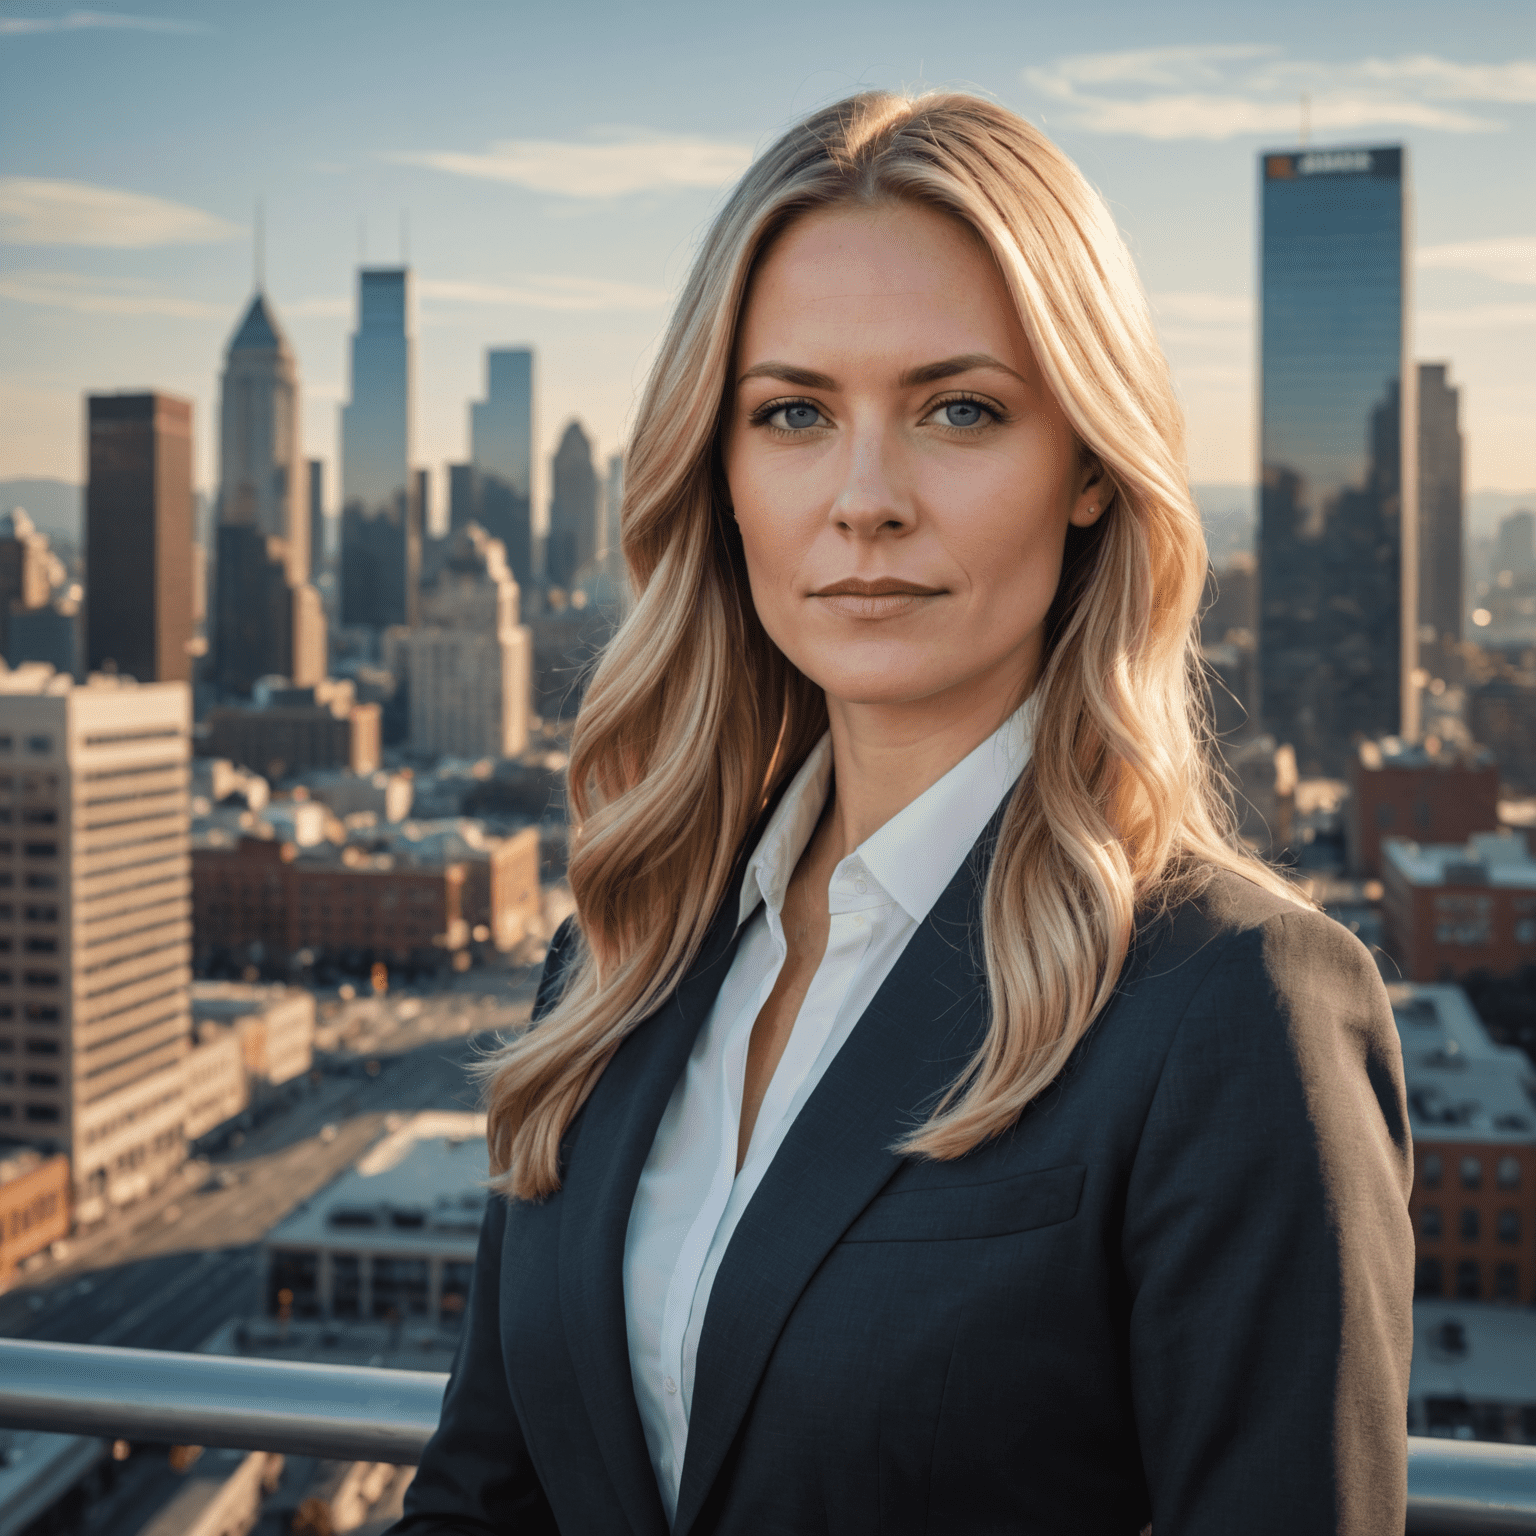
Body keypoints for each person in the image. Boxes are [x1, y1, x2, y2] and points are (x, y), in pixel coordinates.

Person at [390, 91, 1413, 1536]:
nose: (864, 500)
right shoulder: (619, 958)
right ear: (721, 471)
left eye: (961, 411)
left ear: (1089, 474)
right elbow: (485, 1499)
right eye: (794, 413)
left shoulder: (1239, 1009)